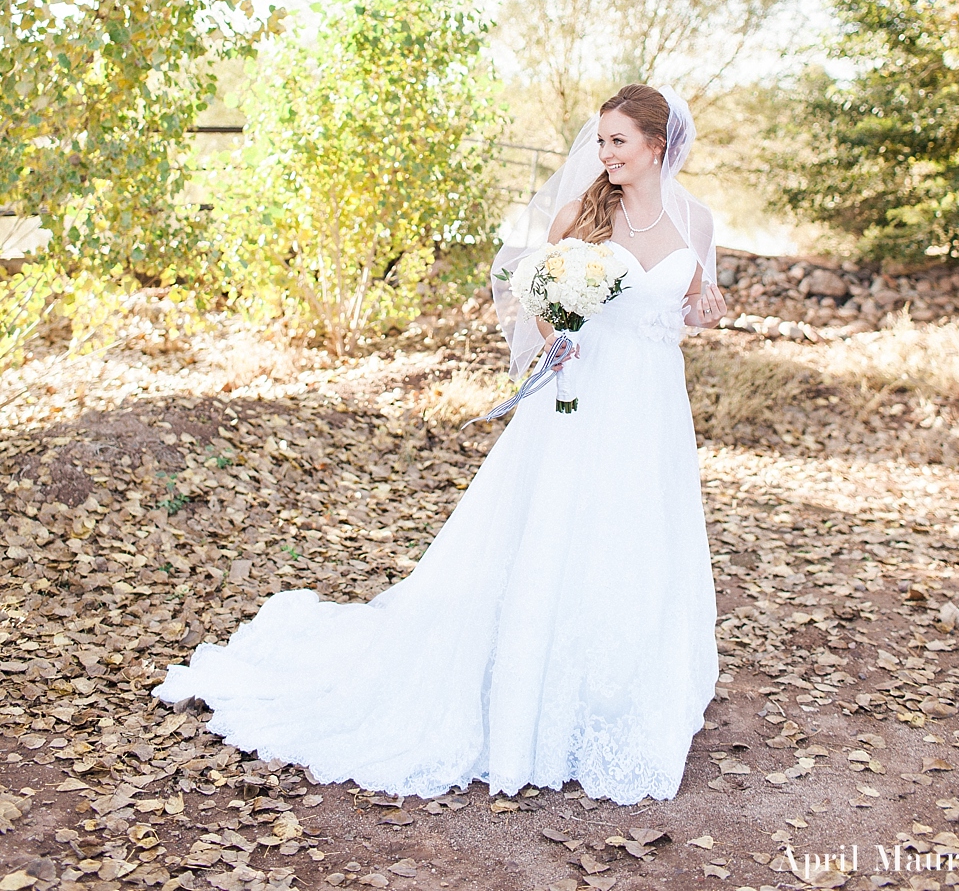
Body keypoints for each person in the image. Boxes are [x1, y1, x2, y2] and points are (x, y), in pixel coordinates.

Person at [155, 83, 725, 805]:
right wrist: (558, 347)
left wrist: (707, 311)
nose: (604, 152)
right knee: (556, 533)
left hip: (650, 409)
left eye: (617, 141)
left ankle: (620, 695)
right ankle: (531, 697)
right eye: (602, 139)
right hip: (581, 400)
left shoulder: (696, 221)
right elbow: (542, 300)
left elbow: (691, 313)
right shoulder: (582, 213)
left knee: (636, 538)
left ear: (656, 146)